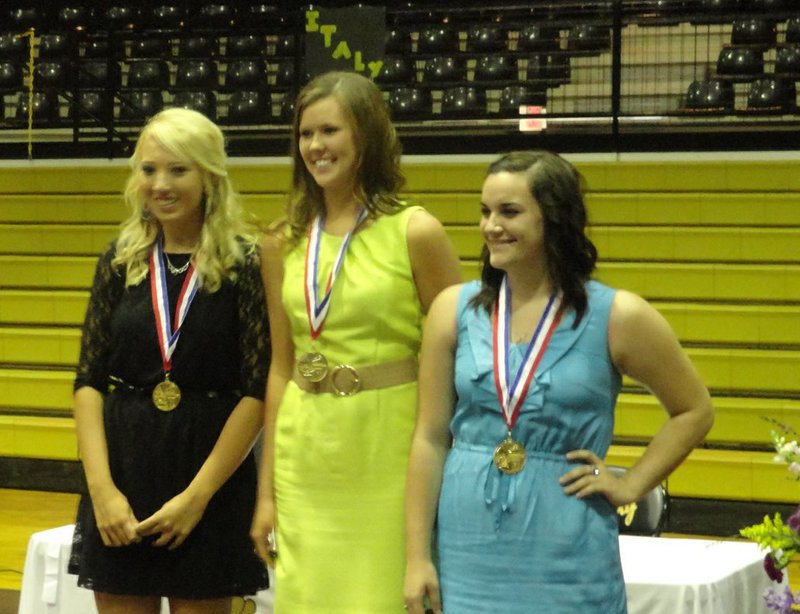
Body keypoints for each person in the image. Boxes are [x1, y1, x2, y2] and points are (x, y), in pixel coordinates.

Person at [403, 151, 714, 614]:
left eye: (509, 212)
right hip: (466, 546)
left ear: (555, 218)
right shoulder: (453, 309)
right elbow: (430, 438)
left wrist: (631, 484)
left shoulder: (618, 315)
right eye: (485, 212)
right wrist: (416, 558)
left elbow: (694, 411)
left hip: (568, 548)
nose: (491, 226)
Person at [250, 70, 461, 613]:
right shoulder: (280, 241)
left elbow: (461, 354)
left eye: (330, 131)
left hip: (388, 452)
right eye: (305, 135)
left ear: (365, 135)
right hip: (306, 452)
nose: (315, 147)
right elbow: (280, 366)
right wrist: (266, 492)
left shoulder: (416, 231)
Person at [68, 107, 270, 614]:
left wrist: (197, 497)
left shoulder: (247, 265)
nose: (161, 183)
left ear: (210, 176)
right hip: (124, 474)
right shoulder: (119, 260)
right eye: (149, 168)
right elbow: (88, 381)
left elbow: (257, 389)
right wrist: (102, 491)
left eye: (178, 169)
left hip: (208, 481)